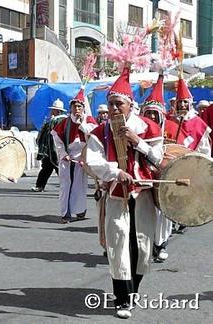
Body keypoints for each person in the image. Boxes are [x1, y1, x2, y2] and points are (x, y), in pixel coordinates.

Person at [86, 67, 164, 319]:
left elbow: (159, 158)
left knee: (141, 244)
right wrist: (115, 171)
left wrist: (136, 141)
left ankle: (133, 291)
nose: (114, 109)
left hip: (143, 194)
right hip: (117, 193)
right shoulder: (100, 131)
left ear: (130, 105)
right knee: (118, 242)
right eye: (110, 104)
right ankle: (122, 299)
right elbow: (92, 161)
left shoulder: (149, 128)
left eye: (118, 104)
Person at [140, 74, 180, 263]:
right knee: (145, 214)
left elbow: (184, 151)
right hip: (143, 179)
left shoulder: (173, 127)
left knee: (164, 214)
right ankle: (146, 246)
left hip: (165, 178)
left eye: (155, 113)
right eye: (148, 113)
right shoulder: (137, 129)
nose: (152, 116)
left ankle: (161, 244)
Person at [51, 88, 98, 223]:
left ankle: (80, 210)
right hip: (68, 157)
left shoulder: (88, 120)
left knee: (80, 185)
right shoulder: (65, 122)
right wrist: (63, 154)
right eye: (74, 106)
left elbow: (94, 134)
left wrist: (82, 123)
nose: (76, 109)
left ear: (83, 108)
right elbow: (58, 140)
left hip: (83, 157)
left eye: (79, 106)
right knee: (66, 185)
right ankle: (65, 213)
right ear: (70, 108)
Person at [31, 99, 67, 192]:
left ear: (57, 111)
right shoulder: (65, 120)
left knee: (57, 169)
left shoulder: (55, 121)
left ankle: (41, 186)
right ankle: (40, 186)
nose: (52, 111)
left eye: (53, 110)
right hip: (56, 149)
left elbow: (48, 135)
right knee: (48, 169)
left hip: (53, 149)